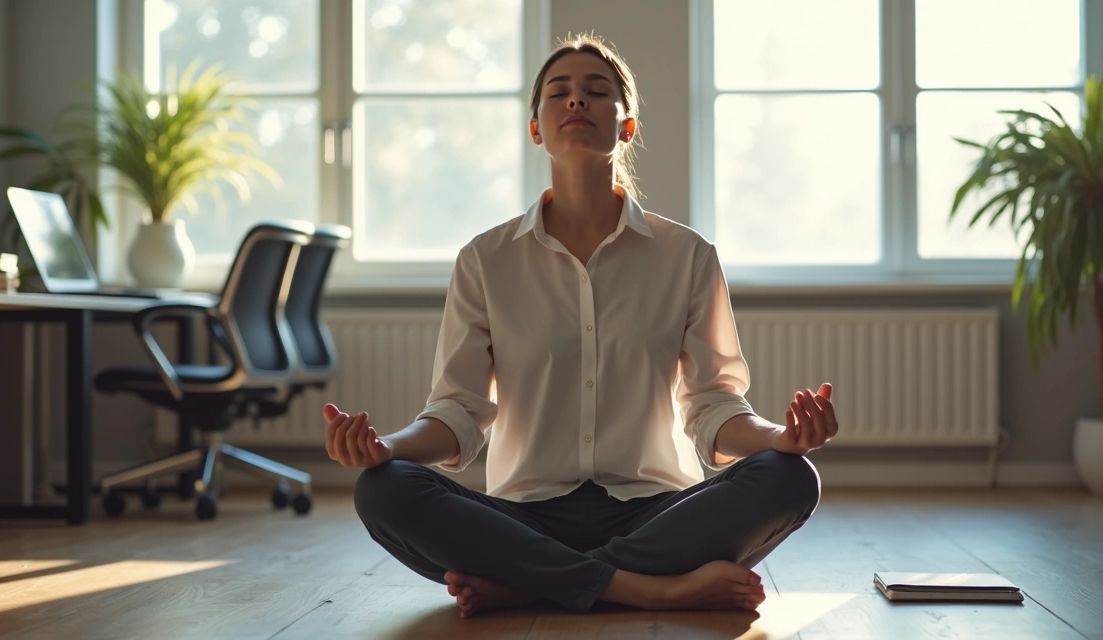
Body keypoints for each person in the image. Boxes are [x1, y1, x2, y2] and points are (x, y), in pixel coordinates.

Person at [324, 34, 839, 618]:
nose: (577, 102)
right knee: (383, 489)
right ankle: (649, 588)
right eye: (558, 93)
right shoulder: (485, 259)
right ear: (536, 128)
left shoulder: (687, 255)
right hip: (525, 514)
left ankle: (534, 584)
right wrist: (383, 448)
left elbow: (714, 405)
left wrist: (781, 439)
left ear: (627, 127)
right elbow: (458, 413)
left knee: (791, 478)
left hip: (656, 510)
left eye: (597, 92)